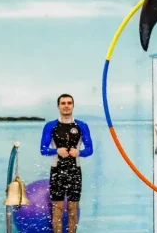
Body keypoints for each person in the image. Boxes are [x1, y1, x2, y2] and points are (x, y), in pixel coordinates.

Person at [40, 94, 93, 233]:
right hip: (57, 171)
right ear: (58, 106)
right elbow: (43, 149)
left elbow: (90, 149)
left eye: (69, 103)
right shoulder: (51, 126)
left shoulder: (81, 125)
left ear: (73, 105)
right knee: (57, 208)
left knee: (73, 208)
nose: (66, 105)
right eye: (63, 103)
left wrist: (79, 152)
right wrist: (57, 150)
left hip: (75, 171)